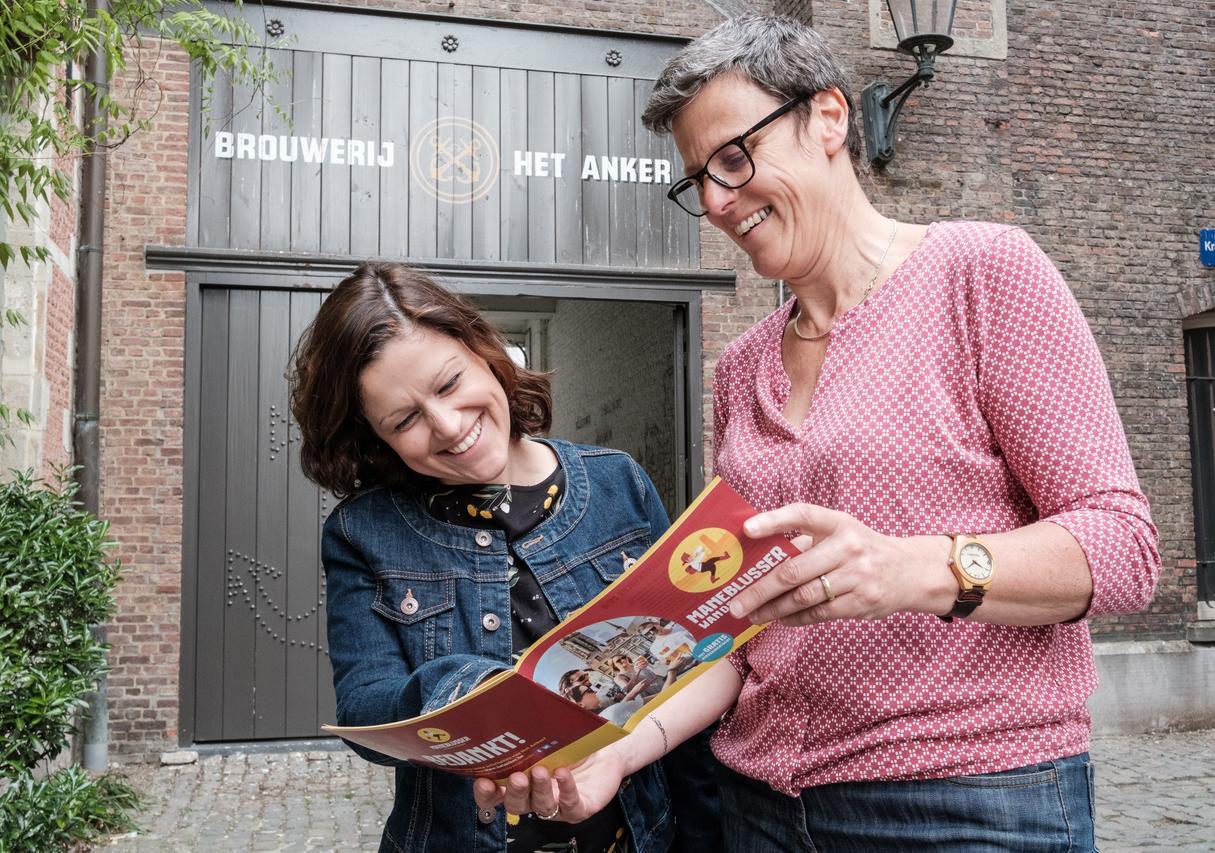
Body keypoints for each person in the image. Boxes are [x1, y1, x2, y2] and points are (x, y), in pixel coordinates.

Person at [475, 15, 1161, 851]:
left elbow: (1123, 549)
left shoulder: (982, 273)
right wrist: (618, 751)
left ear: (828, 119)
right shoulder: (741, 367)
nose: (720, 202)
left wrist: (914, 567)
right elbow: (744, 636)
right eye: (699, 180)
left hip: (968, 799)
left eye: (735, 157)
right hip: (758, 807)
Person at [289, 262, 719, 853]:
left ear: (486, 353)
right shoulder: (363, 532)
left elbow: (691, 667)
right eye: (405, 419)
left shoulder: (620, 484)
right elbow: (366, 714)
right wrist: (475, 697)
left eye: (447, 385)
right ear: (376, 438)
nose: (448, 426)